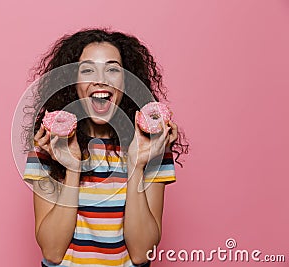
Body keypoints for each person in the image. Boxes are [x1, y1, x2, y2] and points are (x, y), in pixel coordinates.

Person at [22, 28, 189, 267]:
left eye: (112, 69)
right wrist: (72, 168)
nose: (100, 79)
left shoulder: (151, 146)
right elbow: (52, 251)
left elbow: (142, 253)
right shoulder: (48, 146)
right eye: (88, 69)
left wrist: (136, 165)